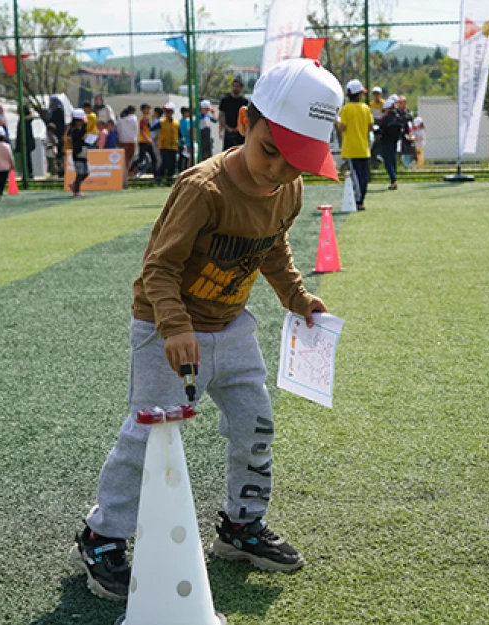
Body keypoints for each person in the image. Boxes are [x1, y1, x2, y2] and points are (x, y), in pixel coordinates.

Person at [69, 58, 342, 601]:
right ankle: (102, 536)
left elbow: (273, 249)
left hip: (233, 327)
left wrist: (296, 297)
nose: (279, 172)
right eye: (271, 151)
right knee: (150, 432)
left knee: (256, 425)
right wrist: (173, 328)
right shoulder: (203, 188)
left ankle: (242, 526)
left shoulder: (288, 191)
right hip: (165, 328)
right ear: (245, 122)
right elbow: (159, 268)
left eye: (298, 163)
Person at [336, 78, 373, 211]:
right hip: (364, 148)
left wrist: (336, 121)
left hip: (352, 149)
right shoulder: (366, 108)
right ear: (359, 95)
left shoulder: (346, 109)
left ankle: (358, 200)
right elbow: (370, 126)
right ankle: (361, 199)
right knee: (364, 177)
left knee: (356, 177)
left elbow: (342, 127)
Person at [377, 95, 406, 190]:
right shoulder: (398, 117)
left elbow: (380, 129)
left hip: (385, 142)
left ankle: (393, 181)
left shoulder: (385, 118)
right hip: (395, 142)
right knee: (393, 162)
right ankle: (394, 179)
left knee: (388, 162)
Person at [218, 77, 249, 150]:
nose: (235, 88)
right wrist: (223, 129)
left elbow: (247, 118)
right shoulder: (225, 100)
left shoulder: (244, 102)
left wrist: (239, 128)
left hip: (240, 133)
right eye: (234, 86)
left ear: (241, 88)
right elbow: (221, 116)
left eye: (237, 86)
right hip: (228, 131)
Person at [67, 110, 89, 197]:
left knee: (86, 172)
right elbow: (79, 136)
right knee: (79, 173)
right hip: (77, 153)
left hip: (83, 152)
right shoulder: (74, 130)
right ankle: (77, 191)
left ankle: (75, 184)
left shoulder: (83, 128)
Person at [157, 103, 179, 186]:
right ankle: (159, 180)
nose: (167, 113)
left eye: (169, 111)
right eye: (166, 111)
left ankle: (169, 181)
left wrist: (183, 142)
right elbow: (152, 127)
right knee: (165, 163)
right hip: (164, 146)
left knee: (172, 164)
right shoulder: (161, 122)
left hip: (173, 146)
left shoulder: (176, 123)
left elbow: (179, 133)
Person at [116, 105, 138, 188]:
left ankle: (123, 180)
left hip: (122, 140)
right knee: (128, 162)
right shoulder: (134, 118)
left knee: (124, 162)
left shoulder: (120, 118)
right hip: (131, 141)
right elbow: (136, 130)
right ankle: (125, 181)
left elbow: (118, 129)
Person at [134, 104, 156, 177]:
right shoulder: (142, 119)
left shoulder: (147, 119)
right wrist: (148, 139)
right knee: (141, 158)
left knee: (153, 158)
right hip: (143, 141)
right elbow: (142, 131)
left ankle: (156, 175)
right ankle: (131, 169)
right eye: (147, 109)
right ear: (143, 110)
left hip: (147, 141)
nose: (149, 110)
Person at [178, 106, 193, 172]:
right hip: (188, 143)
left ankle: (180, 171)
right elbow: (189, 130)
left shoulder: (179, 121)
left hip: (180, 142)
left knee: (181, 159)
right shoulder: (187, 121)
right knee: (187, 160)